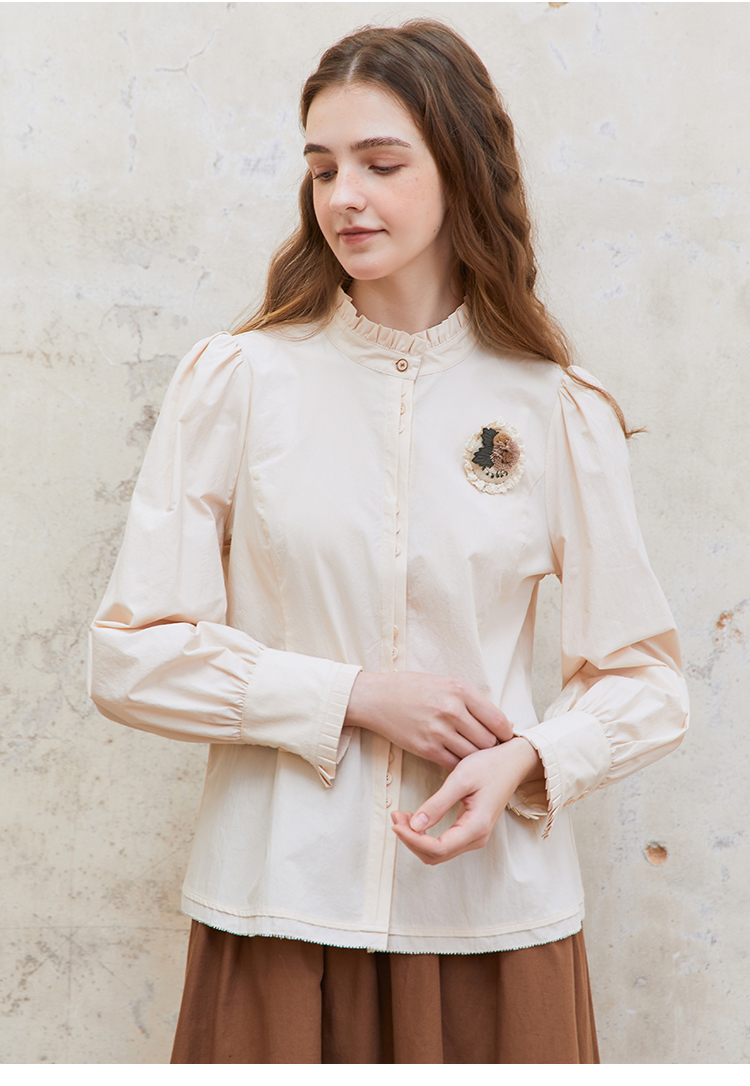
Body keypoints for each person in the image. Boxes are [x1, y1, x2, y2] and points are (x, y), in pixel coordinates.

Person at [89, 20, 689, 1064]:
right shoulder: (239, 382)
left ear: (459, 167)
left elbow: (645, 680)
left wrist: (529, 762)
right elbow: (130, 655)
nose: (345, 198)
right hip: (276, 914)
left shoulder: (555, 407)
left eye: (381, 163)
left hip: (491, 916)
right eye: (323, 168)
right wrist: (353, 696)